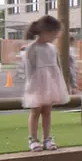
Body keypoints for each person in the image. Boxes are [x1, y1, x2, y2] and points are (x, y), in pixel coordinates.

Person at [21, 16, 71, 152]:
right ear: (45, 31)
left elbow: (57, 66)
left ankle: (47, 138)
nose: (55, 37)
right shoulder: (32, 48)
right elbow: (29, 69)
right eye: (53, 34)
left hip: (51, 83)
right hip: (37, 84)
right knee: (36, 110)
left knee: (47, 111)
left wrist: (63, 83)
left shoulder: (52, 48)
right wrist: (30, 85)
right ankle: (32, 139)